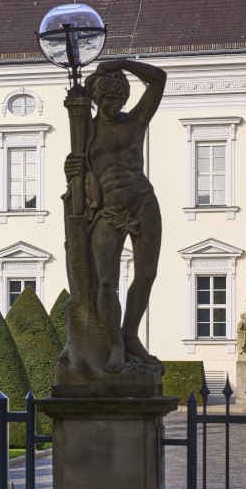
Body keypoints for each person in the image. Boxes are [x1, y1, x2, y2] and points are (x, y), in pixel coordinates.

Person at [64, 59, 166, 372]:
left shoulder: (135, 121)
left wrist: (121, 63)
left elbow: (159, 79)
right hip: (107, 209)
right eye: (107, 100)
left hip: (143, 202)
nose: (113, 105)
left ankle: (131, 333)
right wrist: (69, 169)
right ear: (96, 99)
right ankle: (115, 346)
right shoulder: (86, 131)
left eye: (118, 99)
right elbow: (78, 170)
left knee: (146, 275)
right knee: (105, 283)